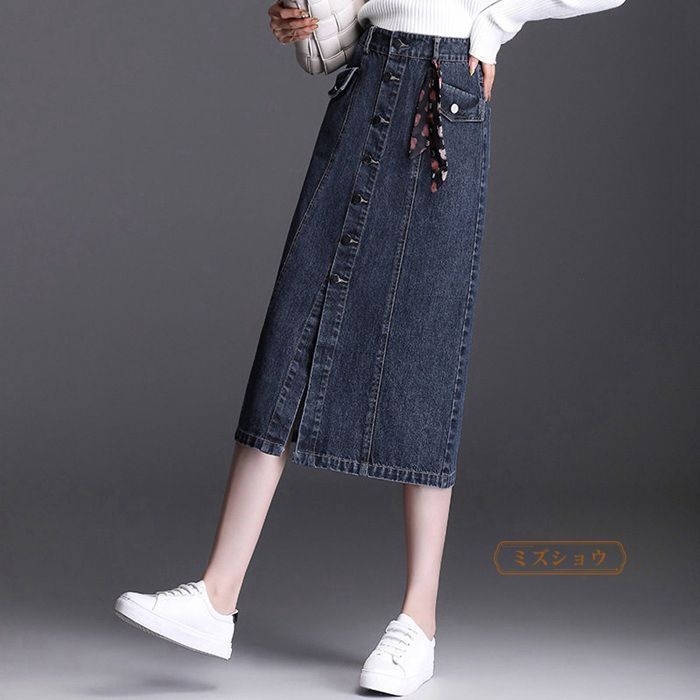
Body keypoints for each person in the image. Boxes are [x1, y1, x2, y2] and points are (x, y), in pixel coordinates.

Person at [114, 0, 627, 695]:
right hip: (367, 81)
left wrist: (493, 27)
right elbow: (346, 20)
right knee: (296, 324)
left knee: (427, 346)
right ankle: (217, 595)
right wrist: (307, 19)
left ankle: (419, 621)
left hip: (443, 91)